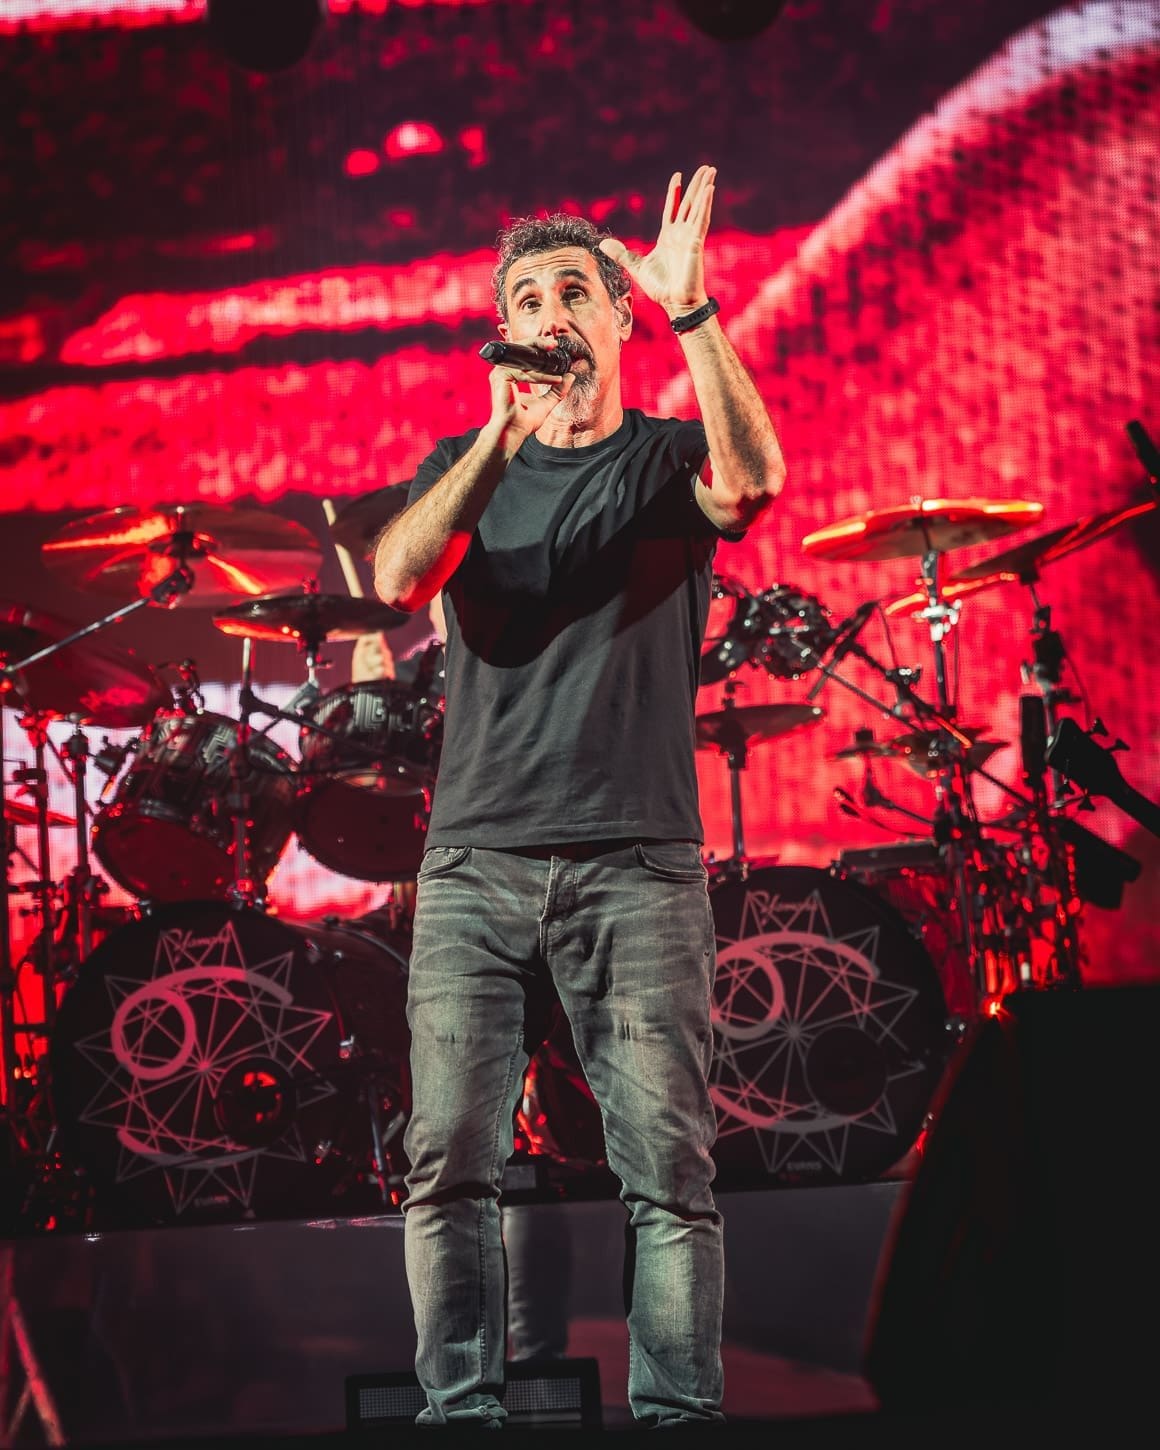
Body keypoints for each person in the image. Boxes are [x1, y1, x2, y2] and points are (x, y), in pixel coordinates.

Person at [373, 164, 786, 1429]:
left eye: (570, 291)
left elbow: (752, 483)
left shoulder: (667, 457)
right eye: (521, 293)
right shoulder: (468, 463)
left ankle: (675, 1416)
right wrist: (497, 436)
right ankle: (459, 1413)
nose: (544, 308)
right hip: (474, 863)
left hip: (636, 861)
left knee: (666, 1168)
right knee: (448, 1163)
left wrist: (695, 310)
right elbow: (396, 575)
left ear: (614, 318)